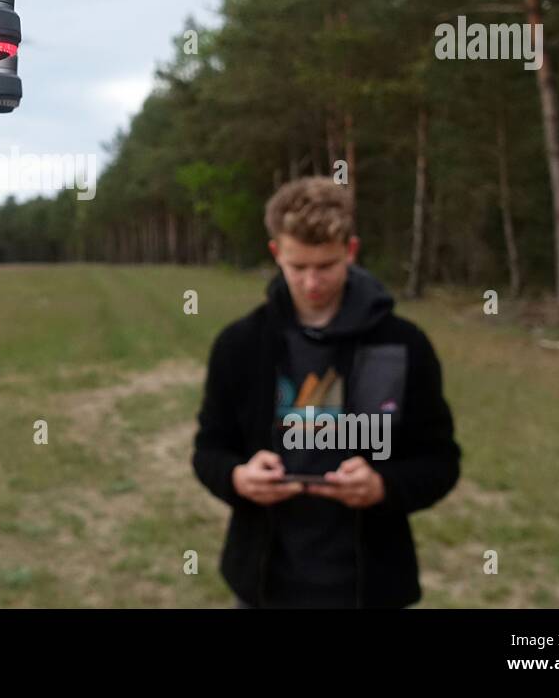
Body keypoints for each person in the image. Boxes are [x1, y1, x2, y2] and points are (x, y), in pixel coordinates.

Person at [191, 177, 460, 608]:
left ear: (351, 252)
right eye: (298, 267)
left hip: (371, 589)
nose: (312, 282)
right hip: (264, 588)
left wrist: (383, 486)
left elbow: (441, 461)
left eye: (327, 266)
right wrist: (237, 478)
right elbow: (209, 449)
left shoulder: (404, 344)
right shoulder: (239, 345)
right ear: (276, 253)